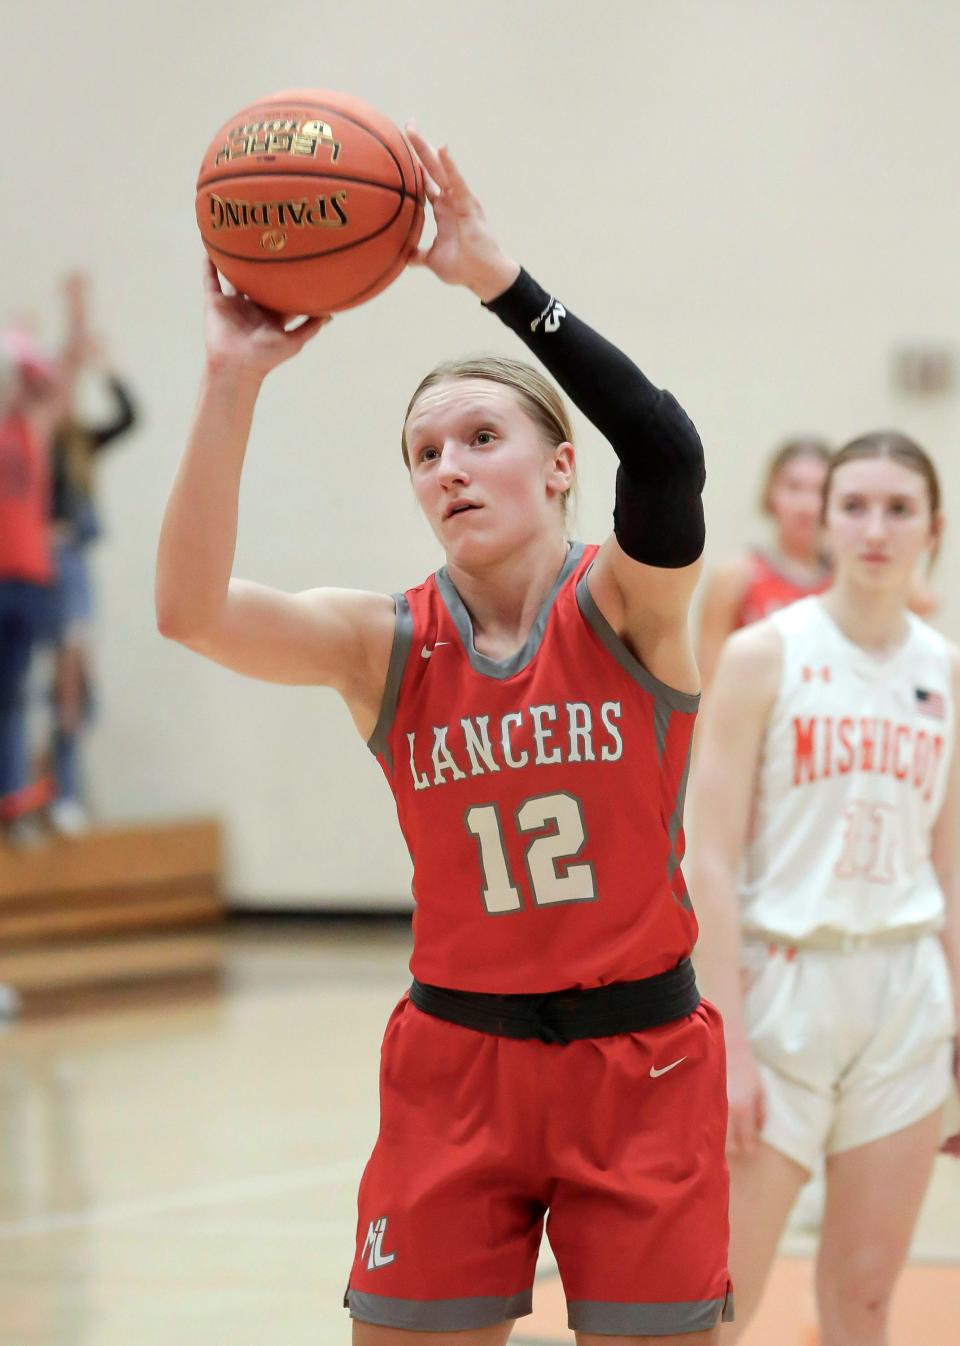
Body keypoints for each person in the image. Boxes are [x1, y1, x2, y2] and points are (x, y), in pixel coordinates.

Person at [157, 126, 732, 1343]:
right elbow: (190, 611)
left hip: (641, 1062)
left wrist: (494, 278)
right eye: (426, 453)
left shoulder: (632, 606)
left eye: (482, 439)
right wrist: (231, 379)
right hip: (456, 1059)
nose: (451, 468)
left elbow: (670, 449)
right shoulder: (385, 642)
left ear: (561, 464)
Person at [690, 434, 960, 1343]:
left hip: (905, 998)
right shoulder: (763, 656)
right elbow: (710, 858)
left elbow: (952, 870)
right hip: (782, 992)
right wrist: (725, 1041)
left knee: (866, 1302)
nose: (875, 528)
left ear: (935, 528)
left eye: (899, 509)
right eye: (855, 506)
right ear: (819, 521)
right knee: (721, 1299)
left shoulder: (946, 672)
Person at [48, 273, 138, 833]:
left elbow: (128, 414)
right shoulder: (26, 443)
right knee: (52, 680)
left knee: (75, 677)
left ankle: (66, 789)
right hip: (41, 569)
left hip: (73, 565)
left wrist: (102, 361)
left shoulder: (78, 441)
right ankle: (51, 791)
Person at [696, 438, 832, 691]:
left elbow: (921, 601)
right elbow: (708, 683)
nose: (807, 505)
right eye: (794, 488)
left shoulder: (845, 582)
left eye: (821, 492)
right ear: (771, 494)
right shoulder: (737, 575)